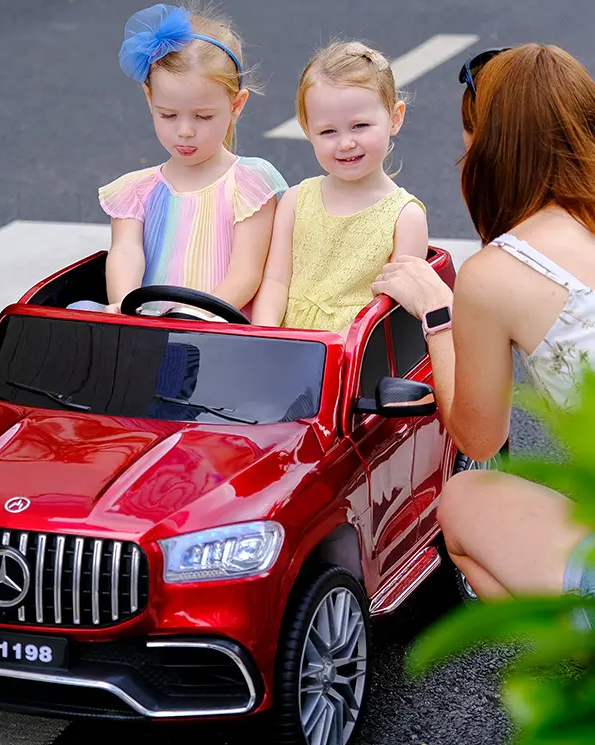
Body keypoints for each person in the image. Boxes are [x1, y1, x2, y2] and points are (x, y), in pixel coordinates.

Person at [371, 44, 595, 623]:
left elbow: (477, 439)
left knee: (466, 502)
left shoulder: (499, 273)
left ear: (490, 146)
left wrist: (439, 313)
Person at [73, 3, 287, 316]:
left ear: (236, 105)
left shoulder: (250, 183)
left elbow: (246, 274)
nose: (184, 131)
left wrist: (194, 316)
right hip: (148, 324)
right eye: (168, 115)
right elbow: (126, 252)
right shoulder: (135, 191)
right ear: (149, 98)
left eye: (203, 116)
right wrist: (126, 304)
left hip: (219, 324)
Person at [251, 41, 428, 333]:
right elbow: (275, 281)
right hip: (287, 346)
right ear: (308, 130)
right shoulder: (296, 201)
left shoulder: (405, 217)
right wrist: (266, 335)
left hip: (357, 356)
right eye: (328, 131)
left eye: (360, 126)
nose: (346, 143)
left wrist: (339, 351)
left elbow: (392, 309)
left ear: (395, 118)